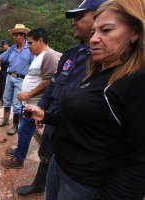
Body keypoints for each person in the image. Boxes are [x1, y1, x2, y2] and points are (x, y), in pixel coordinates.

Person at [24, 0, 145, 199]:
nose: (95, 39)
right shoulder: (97, 71)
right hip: (61, 165)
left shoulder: (136, 82)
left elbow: (140, 162)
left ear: (135, 32)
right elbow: (87, 120)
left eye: (106, 30)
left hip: (84, 182)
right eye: (94, 32)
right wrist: (47, 115)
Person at [16, 0, 106, 196]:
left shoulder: (104, 59)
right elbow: (55, 84)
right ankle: (40, 184)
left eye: (80, 16)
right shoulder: (71, 54)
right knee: (47, 155)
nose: (74, 22)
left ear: (102, 15)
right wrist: (42, 109)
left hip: (77, 133)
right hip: (55, 119)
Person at [1, 28, 61, 169]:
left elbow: (48, 82)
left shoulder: (49, 55)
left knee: (25, 130)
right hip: (29, 102)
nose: (28, 46)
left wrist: (29, 94)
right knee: (23, 129)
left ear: (40, 40)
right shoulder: (38, 56)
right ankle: (19, 151)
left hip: (34, 104)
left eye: (30, 43)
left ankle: (18, 159)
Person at [0, 24, 34, 135]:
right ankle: (5, 120)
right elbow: (0, 57)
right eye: (13, 35)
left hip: (21, 80)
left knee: (17, 104)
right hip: (9, 77)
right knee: (7, 100)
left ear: (22, 35)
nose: (14, 37)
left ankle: (15, 126)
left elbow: (33, 65)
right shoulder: (12, 49)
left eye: (16, 35)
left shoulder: (29, 49)